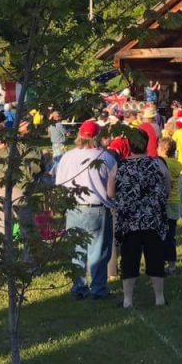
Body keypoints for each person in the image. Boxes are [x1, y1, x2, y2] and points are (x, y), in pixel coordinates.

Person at [108, 129, 169, 308]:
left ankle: (127, 300)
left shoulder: (120, 166)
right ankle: (159, 298)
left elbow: (110, 193)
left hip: (129, 221)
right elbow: (166, 189)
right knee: (156, 258)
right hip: (153, 219)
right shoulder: (158, 164)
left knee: (129, 259)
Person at [56, 121, 116, 299]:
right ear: (97, 136)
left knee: (77, 250)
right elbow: (112, 185)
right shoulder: (106, 157)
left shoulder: (67, 157)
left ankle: (79, 287)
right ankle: (98, 289)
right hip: (97, 207)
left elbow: (59, 183)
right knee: (98, 251)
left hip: (74, 207)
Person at [0, 118, 41, 241]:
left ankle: (6, 256)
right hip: (20, 190)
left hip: (2, 189)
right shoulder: (32, 149)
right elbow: (38, 169)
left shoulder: (3, 149)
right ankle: (27, 258)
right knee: (27, 229)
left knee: (4, 228)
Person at [158, 136, 182, 275]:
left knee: (160, 235)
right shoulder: (177, 164)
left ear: (162, 149)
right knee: (171, 235)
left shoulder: (160, 163)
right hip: (175, 202)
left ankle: (160, 262)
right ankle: (172, 264)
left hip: (163, 201)